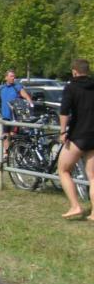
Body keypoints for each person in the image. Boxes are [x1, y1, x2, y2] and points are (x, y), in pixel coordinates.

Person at [57, 59, 94, 220]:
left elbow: (64, 111)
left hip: (78, 135)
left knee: (63, 170)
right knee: (92, 176)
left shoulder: (71, 87)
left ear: (74, 71)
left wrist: (62, 131)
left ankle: (75, 206)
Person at [0, 69, 33, 150]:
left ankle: (15, 151)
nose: (13, 78)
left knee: (13, 135)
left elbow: (27, 97)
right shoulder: (2, 88)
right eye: (11, 76)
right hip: (5, 116)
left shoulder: (17, 87)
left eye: (14, 76)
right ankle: (6, 153)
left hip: (15, 117)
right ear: (6, 77)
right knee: (5, 135)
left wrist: (31, 105)